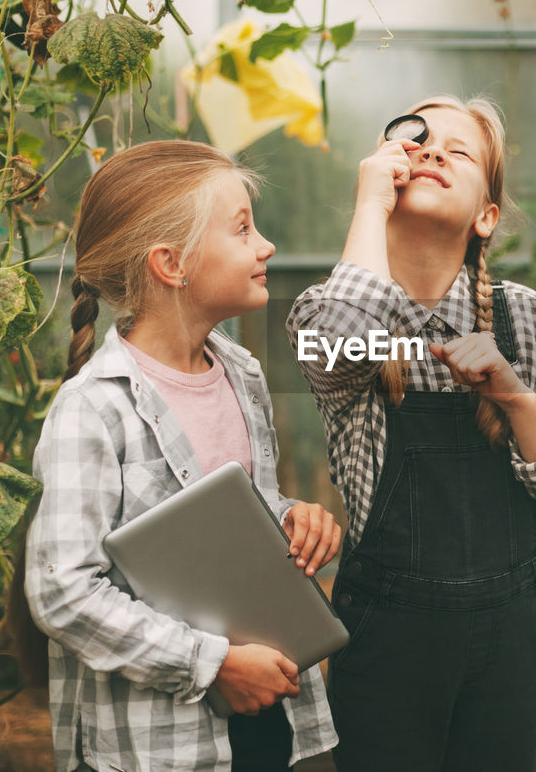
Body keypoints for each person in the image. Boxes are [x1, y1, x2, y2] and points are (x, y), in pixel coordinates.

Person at [286, 96, 536, 771]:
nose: (432, 150)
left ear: (486, 215)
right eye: (413, 140)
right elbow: (345, 339)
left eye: (457, 150)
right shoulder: (326, 310)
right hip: (389, 644)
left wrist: (514, 395)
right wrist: (369, 205)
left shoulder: (526, 320)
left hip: (510, 643)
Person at [24, 140, 341, 772]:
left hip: (264, 716)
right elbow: (63, 593)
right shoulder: (92, 409)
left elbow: (231, 522)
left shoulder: (242, 374)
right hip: (154, 746)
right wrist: (213, 663)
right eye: (242, 229)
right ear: (171, 264)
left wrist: (293, 518)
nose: (266, 246)